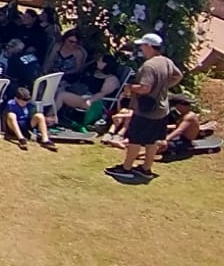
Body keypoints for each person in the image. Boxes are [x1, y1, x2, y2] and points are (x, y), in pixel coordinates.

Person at [116, 33, 183, 177]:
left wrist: (130, 88)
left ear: (149, 46)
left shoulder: (149, 66)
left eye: (143, 46)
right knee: (152, 141)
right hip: (161, 109)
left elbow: (145, 88)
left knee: (135, 139)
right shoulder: (166, 61)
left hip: (146, 110)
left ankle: (126, 168)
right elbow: (178, 76)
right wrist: (164, 87)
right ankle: (146, 168)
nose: (141, 49)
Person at [56, 53, 122, 118]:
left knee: (61, 95)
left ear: (105, 64)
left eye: (99, 60)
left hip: (92, 101)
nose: (97, 61)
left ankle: (51, 116)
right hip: (79, 95)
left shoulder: (111, 79)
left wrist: (90, 101)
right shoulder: (96, 72)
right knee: (57, 89)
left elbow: (102, 94)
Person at [3, 85, 57, 150]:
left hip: (27, 124)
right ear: (16, 98)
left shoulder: (30, 104)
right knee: (11, 115)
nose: (25, 102)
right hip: (14, 126)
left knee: (40, 115)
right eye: (22, 100)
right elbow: (4, 118)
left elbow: (33, 115)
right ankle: (21, 139)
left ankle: (45, 140)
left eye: (26, 100)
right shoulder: (11, 104)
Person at [160, 96, 204, 160]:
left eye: (188, 104)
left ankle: (145, 154)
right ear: (178, 106)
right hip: (179, 138)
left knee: (162, 145)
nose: (189, 106)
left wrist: (166, 139)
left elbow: (179, 130)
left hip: (184, 141)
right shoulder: (184, 115)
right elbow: (178, 126)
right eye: (186, 104)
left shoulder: (189, 116)